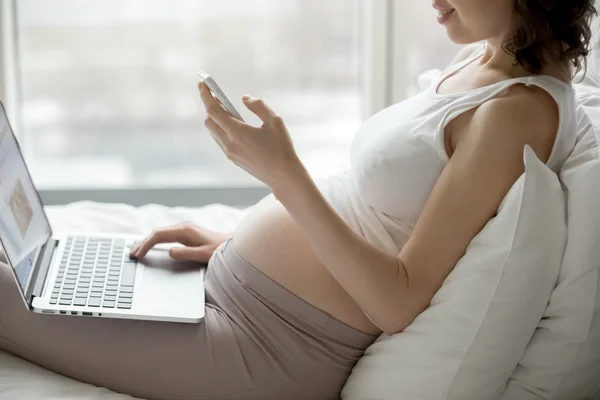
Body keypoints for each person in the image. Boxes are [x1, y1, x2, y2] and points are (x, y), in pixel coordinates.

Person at [0, 1, 597, 399]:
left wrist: (284, 175)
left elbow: (400, 299)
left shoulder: (519, 112)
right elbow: (378, 214)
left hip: (267, 347)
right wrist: (227, 246)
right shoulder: (483, 55)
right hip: (232, 294)